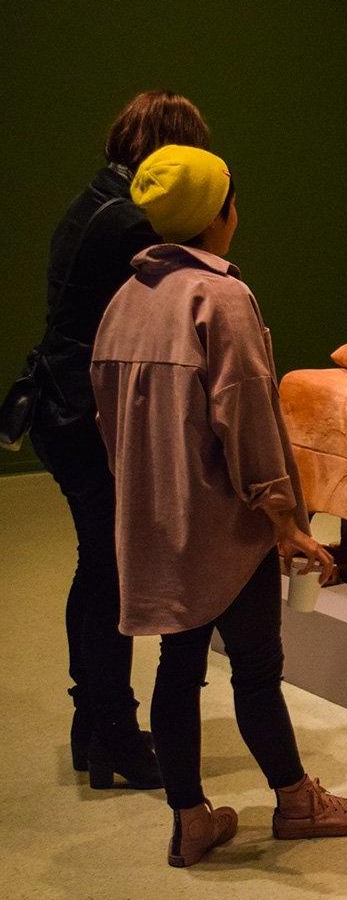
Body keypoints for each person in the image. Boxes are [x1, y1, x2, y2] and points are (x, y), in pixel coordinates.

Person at [90, 145, 347, 867]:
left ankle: (190, 817)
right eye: (232, 201)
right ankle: (296, 800)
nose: (237, 214)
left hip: (154, 521)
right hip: (226, 523)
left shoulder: (124, 301)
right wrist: (281, 518)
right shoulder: (221, 299)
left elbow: (106, 415)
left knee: (176, 663)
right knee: (255, 665)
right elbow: (247, 413)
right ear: (217, 215)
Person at [30, 91, 210, 787]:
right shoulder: (131, 226)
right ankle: (113, 729)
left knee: (98, 567)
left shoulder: (96, 200)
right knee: (110, 574)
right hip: (82, 418)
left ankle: (94, 721)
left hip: (60, 408)